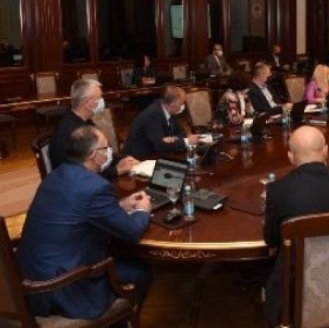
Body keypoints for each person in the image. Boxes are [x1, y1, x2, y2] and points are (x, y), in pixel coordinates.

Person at [17, 125, 152, 319]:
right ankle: (125, 321)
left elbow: (78, 209)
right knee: (140, 271)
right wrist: (142, 210)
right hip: (60, 287)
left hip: (28, 276)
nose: (110, 152)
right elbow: (131, 232)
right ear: (94, 155)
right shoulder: (96, 187)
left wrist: (120, 205)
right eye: (106, 147)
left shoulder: (55, 175)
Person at [263, 126, 329, 325]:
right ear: (326, 151)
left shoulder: (278, 190)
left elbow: (271, 240)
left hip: (293, 292)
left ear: (291, 157)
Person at [49, 79, 138, 178]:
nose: (103, 101)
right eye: (100, 97)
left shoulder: (83, 121)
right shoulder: (71, 132)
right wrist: (116, 170)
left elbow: (102, 152)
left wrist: (123, 159)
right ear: (88, 103)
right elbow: (81, 175)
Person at [123, 86, 200, 159]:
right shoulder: (153, 115)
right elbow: (160, 146)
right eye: (181, 104)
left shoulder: (168, 110)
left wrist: (174, 138)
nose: (182, 107)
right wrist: (187, 141)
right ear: (172, 105)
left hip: (156, 154)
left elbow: (182, 133)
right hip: (137, 159)